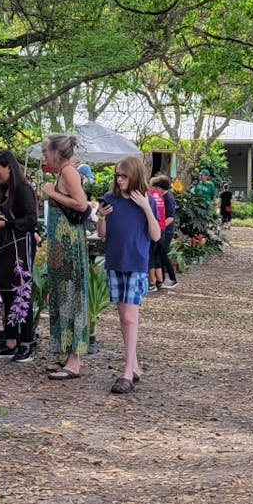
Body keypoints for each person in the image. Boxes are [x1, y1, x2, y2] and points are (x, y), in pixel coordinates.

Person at [95, 156, 161, 394]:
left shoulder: (146, 200)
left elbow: (156, 235)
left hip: (136, 262)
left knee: (130, 317)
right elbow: (102, 234)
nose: (120, 180)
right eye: (117, 176)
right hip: (115, 261)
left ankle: (127, 373)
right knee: (123, 317)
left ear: (134, 176)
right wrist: (101, 216)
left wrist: (146, 207)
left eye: (124, 176)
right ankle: (133, 365)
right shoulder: (110, 198)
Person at [40, 135, 92, 380]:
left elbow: (81, 204)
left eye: (45, 152)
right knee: (62, 297)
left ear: (55, 152)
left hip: (69, 247)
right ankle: (67, 353)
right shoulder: (64, 172)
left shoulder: (69, 171)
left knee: (71, 297)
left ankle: (74, 361)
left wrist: (52, 192)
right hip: (62, 248)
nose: (44, 157)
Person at [0, 151, 39, 362]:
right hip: (5, 247)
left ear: (9, 168)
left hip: (21, 247)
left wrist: (6, 224)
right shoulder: (1, 190)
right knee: (7, 292)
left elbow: (31, 220)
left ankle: (26, 343)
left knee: (21, 293)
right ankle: (10, 342)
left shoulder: (23, 190)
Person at [151, 175, 180, 289]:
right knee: (158, 254)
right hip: (161, 230)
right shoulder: (161, 197)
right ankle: (161, 280)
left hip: (166, 231)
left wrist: (158, 227)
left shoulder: (168, 198)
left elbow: (170, 218)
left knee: (162, 254)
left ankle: (172, 278)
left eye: (155, 187)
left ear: (161, 187)